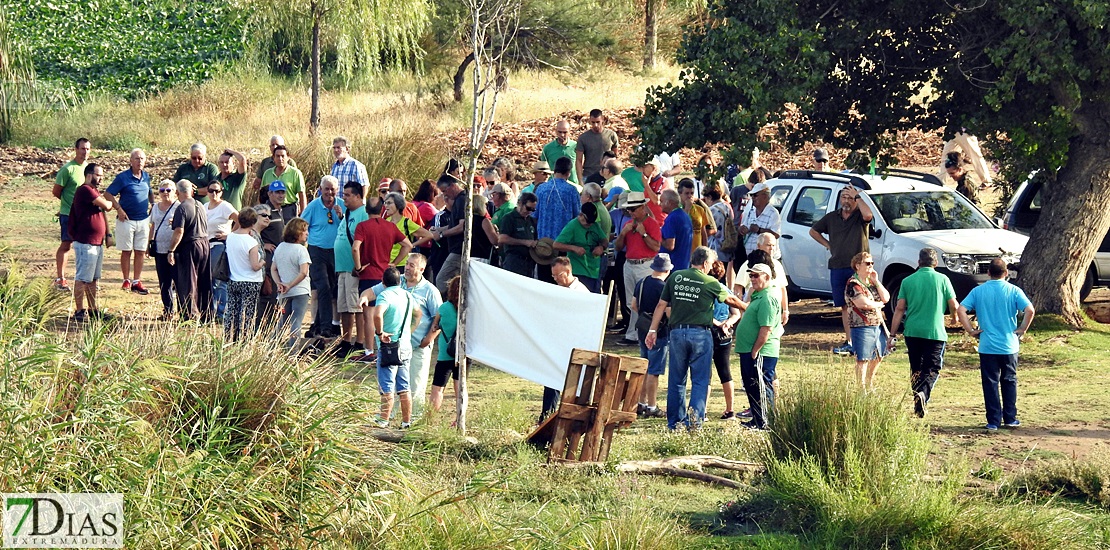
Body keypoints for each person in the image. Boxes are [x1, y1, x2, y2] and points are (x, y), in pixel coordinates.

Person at [645, 246, 746, 431]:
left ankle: (674, 423)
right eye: (710, 264)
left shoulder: (675, 277)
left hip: (676, 333)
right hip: (700, 334)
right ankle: (694, 423)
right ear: (705, 263)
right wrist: (748, 307)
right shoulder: (709, 282)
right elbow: (731, 301)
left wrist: (652, 330)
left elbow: (661, 304)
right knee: (699, 380)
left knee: (676, 379)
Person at [957, 259, 1035, 431]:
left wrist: (970, 330)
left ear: (989, 273)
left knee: (990, 382)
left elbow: (961, 309)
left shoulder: (978, 291)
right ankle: (1010, 417)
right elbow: (1030, 310)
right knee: (1009, 380)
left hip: (987, 345)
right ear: (1006, 273)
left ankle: (993, 420)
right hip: (1009, 345)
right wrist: (1022, 328)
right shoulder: (1013, 290)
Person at [888, 248, 959, 418]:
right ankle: (923, 394)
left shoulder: (907, 281)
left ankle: (918, 402)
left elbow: (899, 308)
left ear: (918, 262)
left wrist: (892, 334)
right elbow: (954, 305)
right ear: (935, 263)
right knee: (932, 368)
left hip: (912, 330)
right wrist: (954, 319)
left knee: (916, 368)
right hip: (934, 332)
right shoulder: (943, 279)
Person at [809, 185, 873, 356]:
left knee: (862, 304)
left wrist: (858, 197)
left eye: (850, 198)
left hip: (858, 268)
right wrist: (828, 244)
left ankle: (865, 341)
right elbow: (813, 231)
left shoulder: (860, 216)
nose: (846, 201)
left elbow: (869, 215)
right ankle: (850, 341)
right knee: (844, 305)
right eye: (844, 197)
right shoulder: (832, 217)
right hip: (837, 266)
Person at [353, 200, 413, 362]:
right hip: (385, 275)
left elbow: (355, 247)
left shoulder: (363, 226)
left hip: (368, 274)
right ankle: (384, 347)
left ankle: (369, 351)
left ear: (366, 210)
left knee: (369, 315)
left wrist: (358, 267)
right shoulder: (390, 226)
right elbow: (407, 245)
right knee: (385, 312)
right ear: (382, 209)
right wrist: (394, 262)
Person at [734, 263, 783, 430]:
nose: (752, 279)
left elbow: (766, 328)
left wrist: (755, 350)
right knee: (752, 386)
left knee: (762, 385)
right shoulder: (758, 295)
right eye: (751, 276)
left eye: (756, 276)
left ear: (767, 277)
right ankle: (757, 419)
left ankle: (765, 421)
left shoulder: (768, 298)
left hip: (761, 351)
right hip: (749, 350)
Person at [369, 267, 418, 429]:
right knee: (404, 386)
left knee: (387, 385)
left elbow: (377, 314)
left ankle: (383, 419)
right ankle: (406, 422)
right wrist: (409, 331)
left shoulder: (384, 295)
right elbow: (418, 314)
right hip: (405, 346)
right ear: (399, 281)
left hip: (389, 346)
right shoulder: (408, 296)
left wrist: (380, 332)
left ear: (383, 282)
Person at [396, 253, 443, 417]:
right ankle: (394, 418)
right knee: (396, 383)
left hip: (418, 347)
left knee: (415, 384)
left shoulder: (430, 290)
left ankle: (414, 421)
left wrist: (428, 339)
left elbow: (440, 316)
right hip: (397, 345)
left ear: (422, 269)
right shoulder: (398, 281)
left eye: (411, 265)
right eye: (407, 264)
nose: (407, 268)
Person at [615, 192, 662, 345]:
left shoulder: (652, 224)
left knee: (643, 301)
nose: (631, 212)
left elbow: (656, 247)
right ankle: (635, 333)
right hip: (629, 264)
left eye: (634, 209)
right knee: (631, 302)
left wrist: (643, 234)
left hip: (645, 264)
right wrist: (623, 234)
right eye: (629, 210)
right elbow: (618, 247)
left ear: (642, 207)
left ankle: (638, 333)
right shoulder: (627, 224)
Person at [104, 148, 152, 295]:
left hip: (143, 219)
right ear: (131, 161)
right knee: (126, 251)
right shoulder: (122, 177)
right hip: (126, 220)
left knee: (140, 251)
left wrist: (153, 205)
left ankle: (137, 280)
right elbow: (108, 193)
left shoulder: (146, 176)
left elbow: (149, 191)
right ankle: (126, 279)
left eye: (142, 159)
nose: (139, 161)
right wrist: (118, 208)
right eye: (137, 159)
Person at [68, 163, 113, 321]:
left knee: (93, 279)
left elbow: (103, 211)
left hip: (96, 242)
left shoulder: (94, 191)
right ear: (89, 175)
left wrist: (107, 233)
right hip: (86, 241)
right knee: (82, 277)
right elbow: (107, 206)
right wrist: (109, 202)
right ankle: (79, 310)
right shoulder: (85, 190)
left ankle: (93, 309)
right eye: (98, 174)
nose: (101, 178)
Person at [632, 253, 672, 419]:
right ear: (667, 270)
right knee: (654, 371)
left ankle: (640, 403)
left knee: (644, 367)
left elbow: (633, 305)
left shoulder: (641, 282)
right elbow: (669, 312)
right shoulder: (664, 288)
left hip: (642, 328)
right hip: (659, 332)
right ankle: (652, 405)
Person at [334, 182, 371, 359]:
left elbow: (367, 241)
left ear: (358, 196)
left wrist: (360, 265)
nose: (344, 198)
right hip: (342, 268)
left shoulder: (363, 214)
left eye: (348, 195)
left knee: (356, 307)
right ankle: (346, 340)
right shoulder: (348, 212)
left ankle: (359, 342)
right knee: (344, 307)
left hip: (354, 269)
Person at [167, 179, 212, 322]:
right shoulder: (200, 204)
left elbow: (179, 231)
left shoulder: (182, 207)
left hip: (190, 245)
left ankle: (190, 316)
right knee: (204, 280)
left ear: (177, 192)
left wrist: (171, 250)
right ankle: (206, 313)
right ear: (192, 191)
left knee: (189, 281)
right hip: (205, 243)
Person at [845, 252, 891, 388]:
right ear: (858, 265)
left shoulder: (870, 283)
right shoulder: (853, 284)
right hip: (861, 325)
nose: (871, 266)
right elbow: (862, 303)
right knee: (863, 358)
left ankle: (869, 382)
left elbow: (886, 297)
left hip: (877, 323)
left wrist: (876, 281)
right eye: (867, 263)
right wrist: (878, 305)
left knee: (879, 355)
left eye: (872, 263)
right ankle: (861, 388)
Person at [534, 157, 582, 283]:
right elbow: (578, 217)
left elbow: (534, 215)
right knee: (561, 283)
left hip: (543, 245)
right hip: (563, 245)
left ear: (554, 171)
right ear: (568, 173)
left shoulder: (541, 189)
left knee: (544, 282)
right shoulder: (572, 191)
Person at [53, 137, 91, 291]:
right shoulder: (67, 169)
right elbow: (56, 191)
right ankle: (60, 278)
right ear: (76, 149)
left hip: (84, 215)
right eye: (82, 148)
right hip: (68, 214)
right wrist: (69, 204)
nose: (85, 152)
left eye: (88, 149)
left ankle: (85, 279)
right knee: (66, 244)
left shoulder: (89, 168)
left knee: (84, 246)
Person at [224, 207, 266, 341]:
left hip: (234, 279)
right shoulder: (251, 242)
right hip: (250, 281)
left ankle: (229, 338)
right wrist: (263, 262)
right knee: (247, 314)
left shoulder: (230, 237)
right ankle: (245, 340)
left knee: (232, 312)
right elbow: (255, 266)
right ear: (253, 224)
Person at [709, 260, 742, 419]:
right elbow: (736, 313)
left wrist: (715, 323)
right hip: (725, 335)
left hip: (709, 333)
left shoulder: (706, 289)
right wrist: (727, 323)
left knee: (705, 374)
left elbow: (704, 312)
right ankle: (730, 409)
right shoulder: (726, 290)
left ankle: (703, 410)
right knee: (725, 372)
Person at [272, 218, 312, 349]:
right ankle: (293, 352)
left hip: (284, 291)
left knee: (282, 322)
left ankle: (270, 349)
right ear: (297, 232)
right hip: (300, 291)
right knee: (296, 322)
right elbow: (303, 272)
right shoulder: (301, 250)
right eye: (304, 230)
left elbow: (273, 268)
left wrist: (279, 283)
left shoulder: (280, 247)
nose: (307, 233)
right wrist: (290, 284)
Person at [553, 202, 607, 292]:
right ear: (581, 215)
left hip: (594, 270)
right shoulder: (572, 226)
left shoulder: (594, 225)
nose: (590, 224)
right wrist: (574, 248)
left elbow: (604, 240)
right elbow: (556, 244)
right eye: (588, 222)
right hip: (579, 270)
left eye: (592, 222)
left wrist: (601, 247)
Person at [427, 275, 461, 414]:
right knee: (460, 390)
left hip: (445, 354)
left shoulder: (444, 308)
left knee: (438, 389)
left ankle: (430, 418)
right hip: (463, 354)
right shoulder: (469, 309)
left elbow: (434, 327)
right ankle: (459, 420)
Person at [205, 180, 239, 320]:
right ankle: (211, 311)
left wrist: (230, 235)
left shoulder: (225, 206)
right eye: (211, 190)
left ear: (221, 192)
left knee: (219, 279)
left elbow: (240, 219)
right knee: (209, 280)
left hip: (220, 244)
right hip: (207, 245)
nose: (214, 193)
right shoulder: (205, 206)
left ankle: (221, 312)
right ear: (207, 192)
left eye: (217, 191)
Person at [148, 179, 180, 320]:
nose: (165, 193)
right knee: (163, 282)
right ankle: (168, 311)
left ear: (175, 192)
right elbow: (153, 226)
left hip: (175, 250)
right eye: (162, 190)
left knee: (178, 282)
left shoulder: (179, 207)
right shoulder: (155, 207)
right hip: (159, 249)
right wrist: (149, 243)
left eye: (168, 190)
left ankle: (183, 311)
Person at [433, 174, 467, 293]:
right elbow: (454, 224)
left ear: (452, 186)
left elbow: (462, 227)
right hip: (455, 249)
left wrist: (442, 235)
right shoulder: (458, 200)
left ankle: (445, 306)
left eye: (445, 191)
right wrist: (439, 229)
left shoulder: (462, 199)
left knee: (441, 280)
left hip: (459, 250)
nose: (445, 195)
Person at [384, 192, 434, 267]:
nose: (386, 206)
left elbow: (429, 235)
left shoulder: (406, 223)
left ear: (398, 205)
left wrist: (412, 245)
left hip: (402, 264)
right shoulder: (386, 221)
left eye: (389, 203)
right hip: (387, 263)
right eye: (385, 203)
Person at [497, 192, 539, 277]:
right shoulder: (509, 218)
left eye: (533, 210)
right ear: (520, 203)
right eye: (528, 208)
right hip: (514, 260)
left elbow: (535, 238)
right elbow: (502, 239)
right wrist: (524, 242)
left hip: (529, 261)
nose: (530, 212)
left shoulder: (532, 220)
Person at [575, 108, 619, 184]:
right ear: (589, 121)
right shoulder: (583, 138)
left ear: (603, 120)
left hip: (607, 176)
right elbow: (579, 160)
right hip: (589, 175)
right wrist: (580, 180)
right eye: (593, 122)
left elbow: (615, 156)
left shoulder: (611, 135)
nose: (595, 125)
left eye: (598, 122)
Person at [261, 145, 307, 216]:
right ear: (273, 158)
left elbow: (302, 194)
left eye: (283, 156)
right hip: (270, 209)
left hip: (289, 209)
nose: (280, 158)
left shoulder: (295, 173)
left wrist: (304, 215)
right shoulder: (267, 173)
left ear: (288, 157)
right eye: (277, 156)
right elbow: (261, 194)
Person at [738, 182, 780, 256]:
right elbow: (744, 226)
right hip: (750, 256)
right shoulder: (751, 211)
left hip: (765, 257)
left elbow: (776, 235)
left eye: (755, 195)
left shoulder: (773, 213)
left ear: (764, 196)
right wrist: (742, 229)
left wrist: (759, 230)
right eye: (751, 195)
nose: (752, 198)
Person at [252, 135, 297, 200]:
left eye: (277, 144)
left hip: (287, 202)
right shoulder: (265, 162)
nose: (274, 147)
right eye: (272, 145)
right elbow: (258, 183)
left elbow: (296, 185)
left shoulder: (290, 162)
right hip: (269, 202)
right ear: (270, 147)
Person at [659, 189, 693, 270]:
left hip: (672, 266)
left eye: (662, 201)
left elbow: (670, 245)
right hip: (683, 264)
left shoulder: (672, 218)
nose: (660, 204)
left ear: (669, 203)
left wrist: (657, 235)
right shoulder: (684, 215)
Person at [540, 120, 578, 186]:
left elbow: (580, 164)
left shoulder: (575, 146)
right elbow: (543, 168)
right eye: (560, 132)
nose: (562, 135)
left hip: (572, 184)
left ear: (569, 131)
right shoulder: (548, 148)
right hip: (553, 185)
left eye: (565, 132)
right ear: (555, 131)